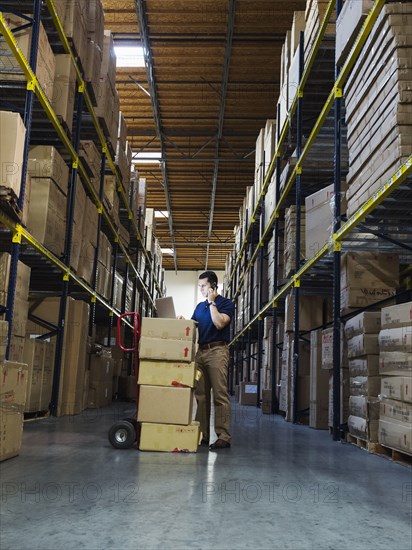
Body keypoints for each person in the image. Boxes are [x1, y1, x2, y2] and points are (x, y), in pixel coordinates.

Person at [190, 270, 235, 450]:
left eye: (203, 286)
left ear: (213, 286)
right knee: (200, 395)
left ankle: (224, 435)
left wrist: (211, 302)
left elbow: (219, 323)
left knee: (219, 394)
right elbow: (192, 328)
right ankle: (202, 434)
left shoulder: (226, 303)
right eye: (199, 286)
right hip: (200, 353)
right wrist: (183, 322)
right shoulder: (199, 308)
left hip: (217, 351)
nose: (200, 289)